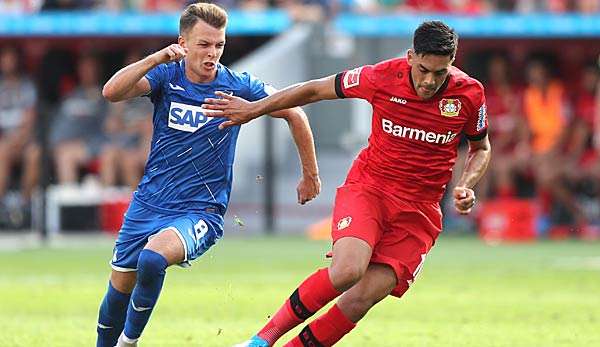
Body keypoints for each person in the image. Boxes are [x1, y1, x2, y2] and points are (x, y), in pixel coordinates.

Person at [203, 20, 491, 347]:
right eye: (423, 69)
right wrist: (254, 109)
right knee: (347, 271)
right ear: (411, 56)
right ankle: (259, 342)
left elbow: (481, 147)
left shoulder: (469, 93)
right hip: (371, 189)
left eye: (439, 74)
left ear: (451, 65)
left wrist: (467, 183)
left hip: (419, 210)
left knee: (359, 299)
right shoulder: (380, 76)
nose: (429, 81)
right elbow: (314, 89)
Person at [95, 3, 321, 347]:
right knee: (119, 288)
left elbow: (296, 113)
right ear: (183, 43)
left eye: (219, 45)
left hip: (199, 210)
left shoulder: (238, 86)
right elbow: (112, 92)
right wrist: (155, 58)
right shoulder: (166, 77)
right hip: (149, 201)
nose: (212, 53)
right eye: (204, 44)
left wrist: (311, 175)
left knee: (152, 259)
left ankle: (129, 342)